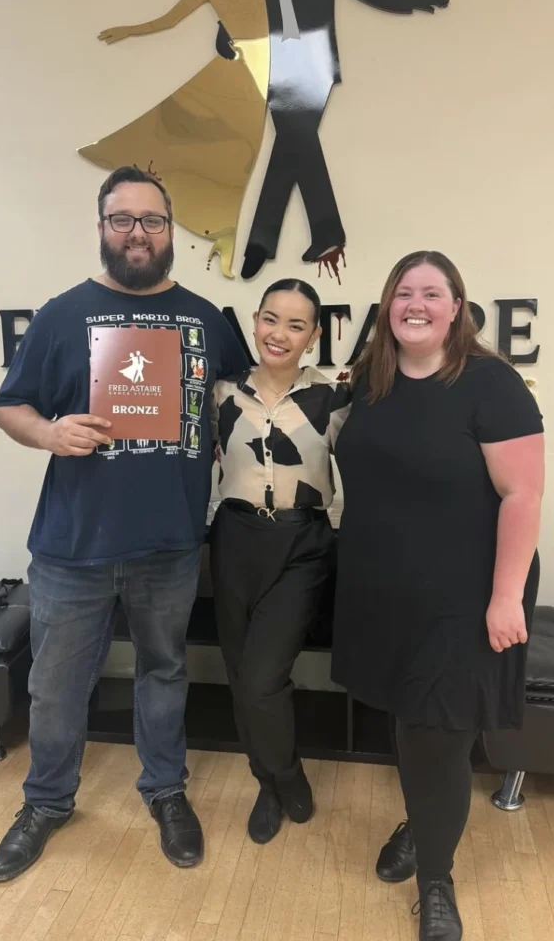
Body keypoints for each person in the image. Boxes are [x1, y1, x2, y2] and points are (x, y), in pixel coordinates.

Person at [0, 166, 249, 883]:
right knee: (57, 684)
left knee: (162, 673)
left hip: (170, 543)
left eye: (152, 220)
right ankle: (45, 802)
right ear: (102, 228)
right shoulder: (61, 314)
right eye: (122, 220)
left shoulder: (206, 319)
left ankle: (165, 791)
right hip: (73, 546)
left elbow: (243, 402)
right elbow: (9, 405)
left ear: (172, 232)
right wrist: (48, 434)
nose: (138, 233)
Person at [331, 252, 544, 939]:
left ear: (456, 307)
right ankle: (422, 822)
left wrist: (505, 596)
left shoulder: (492, 384)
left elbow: (523, 493)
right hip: (385, 588)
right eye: (402, 291)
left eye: (431, 292)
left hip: (467, 594)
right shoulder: (370, 382)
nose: (414, 303)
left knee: (438, 732)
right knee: (410, 719)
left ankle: (436, 880)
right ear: (386, 306)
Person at [217, 0, 449, 279]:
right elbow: (239, 4)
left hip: (315, 60)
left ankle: (271, 240)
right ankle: (309, 233)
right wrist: (224, 33)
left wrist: (407, 1)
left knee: (295, 141)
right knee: (295, 143)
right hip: (275, 64)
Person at [210, 279, 350, 842]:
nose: (280, 334)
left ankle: (287, 775)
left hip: (303, 544)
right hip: (234, 539)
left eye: (296, 325)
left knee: (264, 680)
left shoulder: (335, 399)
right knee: (242, 676)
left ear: (314, 335)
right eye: (272, 319)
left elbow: (379, 462)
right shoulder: (219, 393)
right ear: (254, 321)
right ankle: (265, 782)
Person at [80, 0, 270, 279]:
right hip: (247, 64)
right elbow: (169, 20)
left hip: (260, 61)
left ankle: (222, 232)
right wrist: (131, 30)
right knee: (233, 156)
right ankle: (222, 231)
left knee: (238, 156)